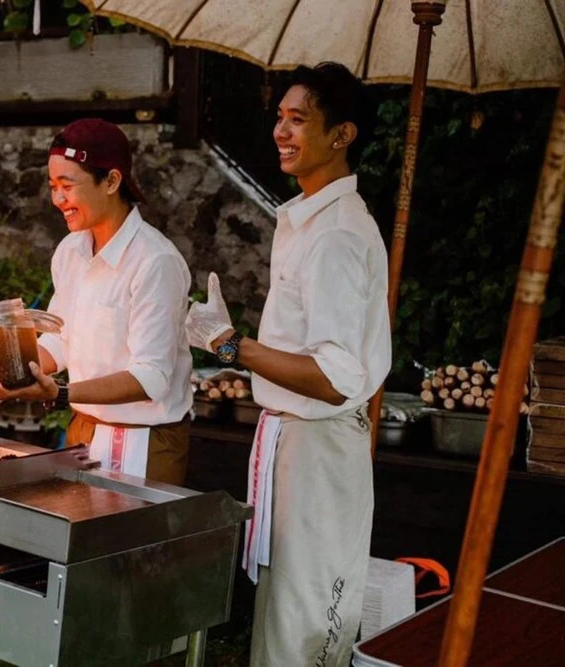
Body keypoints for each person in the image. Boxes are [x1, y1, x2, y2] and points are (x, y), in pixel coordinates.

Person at [186, 62, 391, 666]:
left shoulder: (336, 235)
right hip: (293, 441)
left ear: (341, 135)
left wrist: (230, 345)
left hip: (319, 447)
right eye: (279, 117)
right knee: (282, 614)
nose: (280, 131)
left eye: (298, 120)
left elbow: (333, 378)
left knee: (305, 622)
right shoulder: (306, 218)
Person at [0, 119, 194, 485]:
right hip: (83, 430)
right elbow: (60, 340)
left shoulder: (156, 261)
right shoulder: (71, 251)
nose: (58, 200)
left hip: (145, 442)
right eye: (53, 186)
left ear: (112, 181)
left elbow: (151, 377)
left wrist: (59, 393)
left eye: (67, 186)